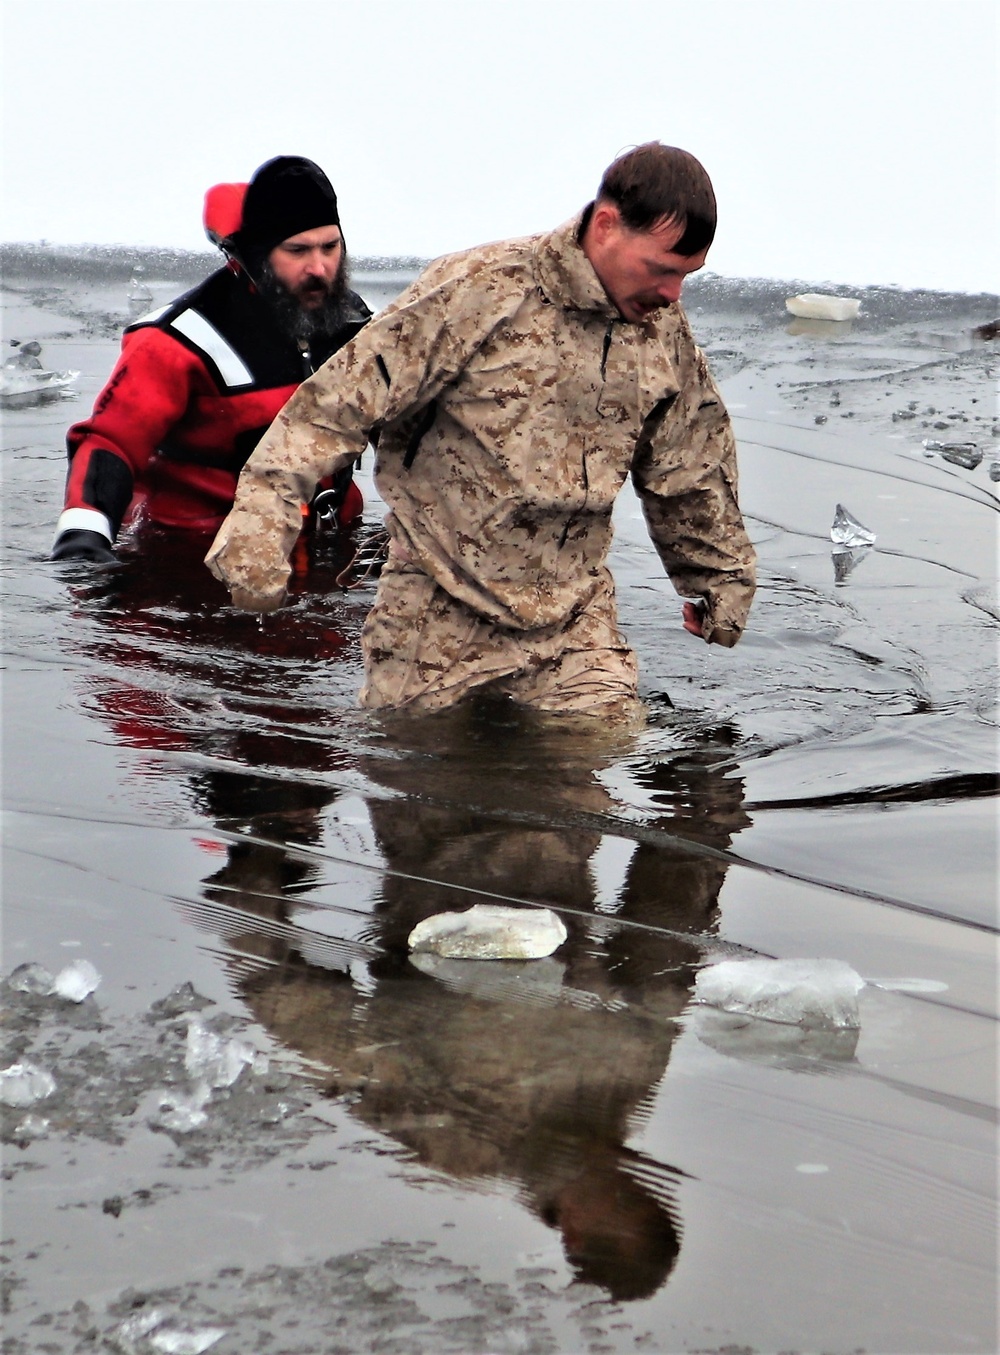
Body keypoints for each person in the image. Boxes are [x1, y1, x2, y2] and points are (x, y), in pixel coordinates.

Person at [206, 143, 757, 721]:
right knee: (425, 786)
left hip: (572, 625)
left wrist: (717, 578)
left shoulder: (660, 329)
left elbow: (690, 460)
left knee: (591, 774)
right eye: (662, 269)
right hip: (437, 622)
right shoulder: (481, 291)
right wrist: (260, 529)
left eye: (687, 276)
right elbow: (333, 407)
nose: (673, 294)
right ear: (606, 225)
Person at [51, 155, 372, 564]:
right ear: (257, 257)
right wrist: (82, 540)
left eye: (331, 247)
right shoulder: (174, 343)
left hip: (329, 551)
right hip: (198, 563)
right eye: (297, 251)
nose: (319, 268)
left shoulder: (355, 323)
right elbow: (109, 442)